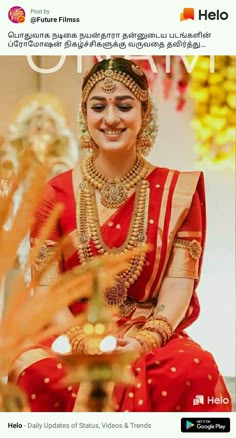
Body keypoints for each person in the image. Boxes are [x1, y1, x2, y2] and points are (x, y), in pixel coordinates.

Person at [9, 58, 232, 412]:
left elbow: (178, 284)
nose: (110, 118)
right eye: (99, 107)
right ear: (85, 116)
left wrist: (145, 340)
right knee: (35, 371)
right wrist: (82, 341)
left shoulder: (177, 191)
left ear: (145, 113)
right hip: (71, 331)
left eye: (124, 106)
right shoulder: (55, 192)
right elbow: (48, 288)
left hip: (148, 329)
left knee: (193, 370)